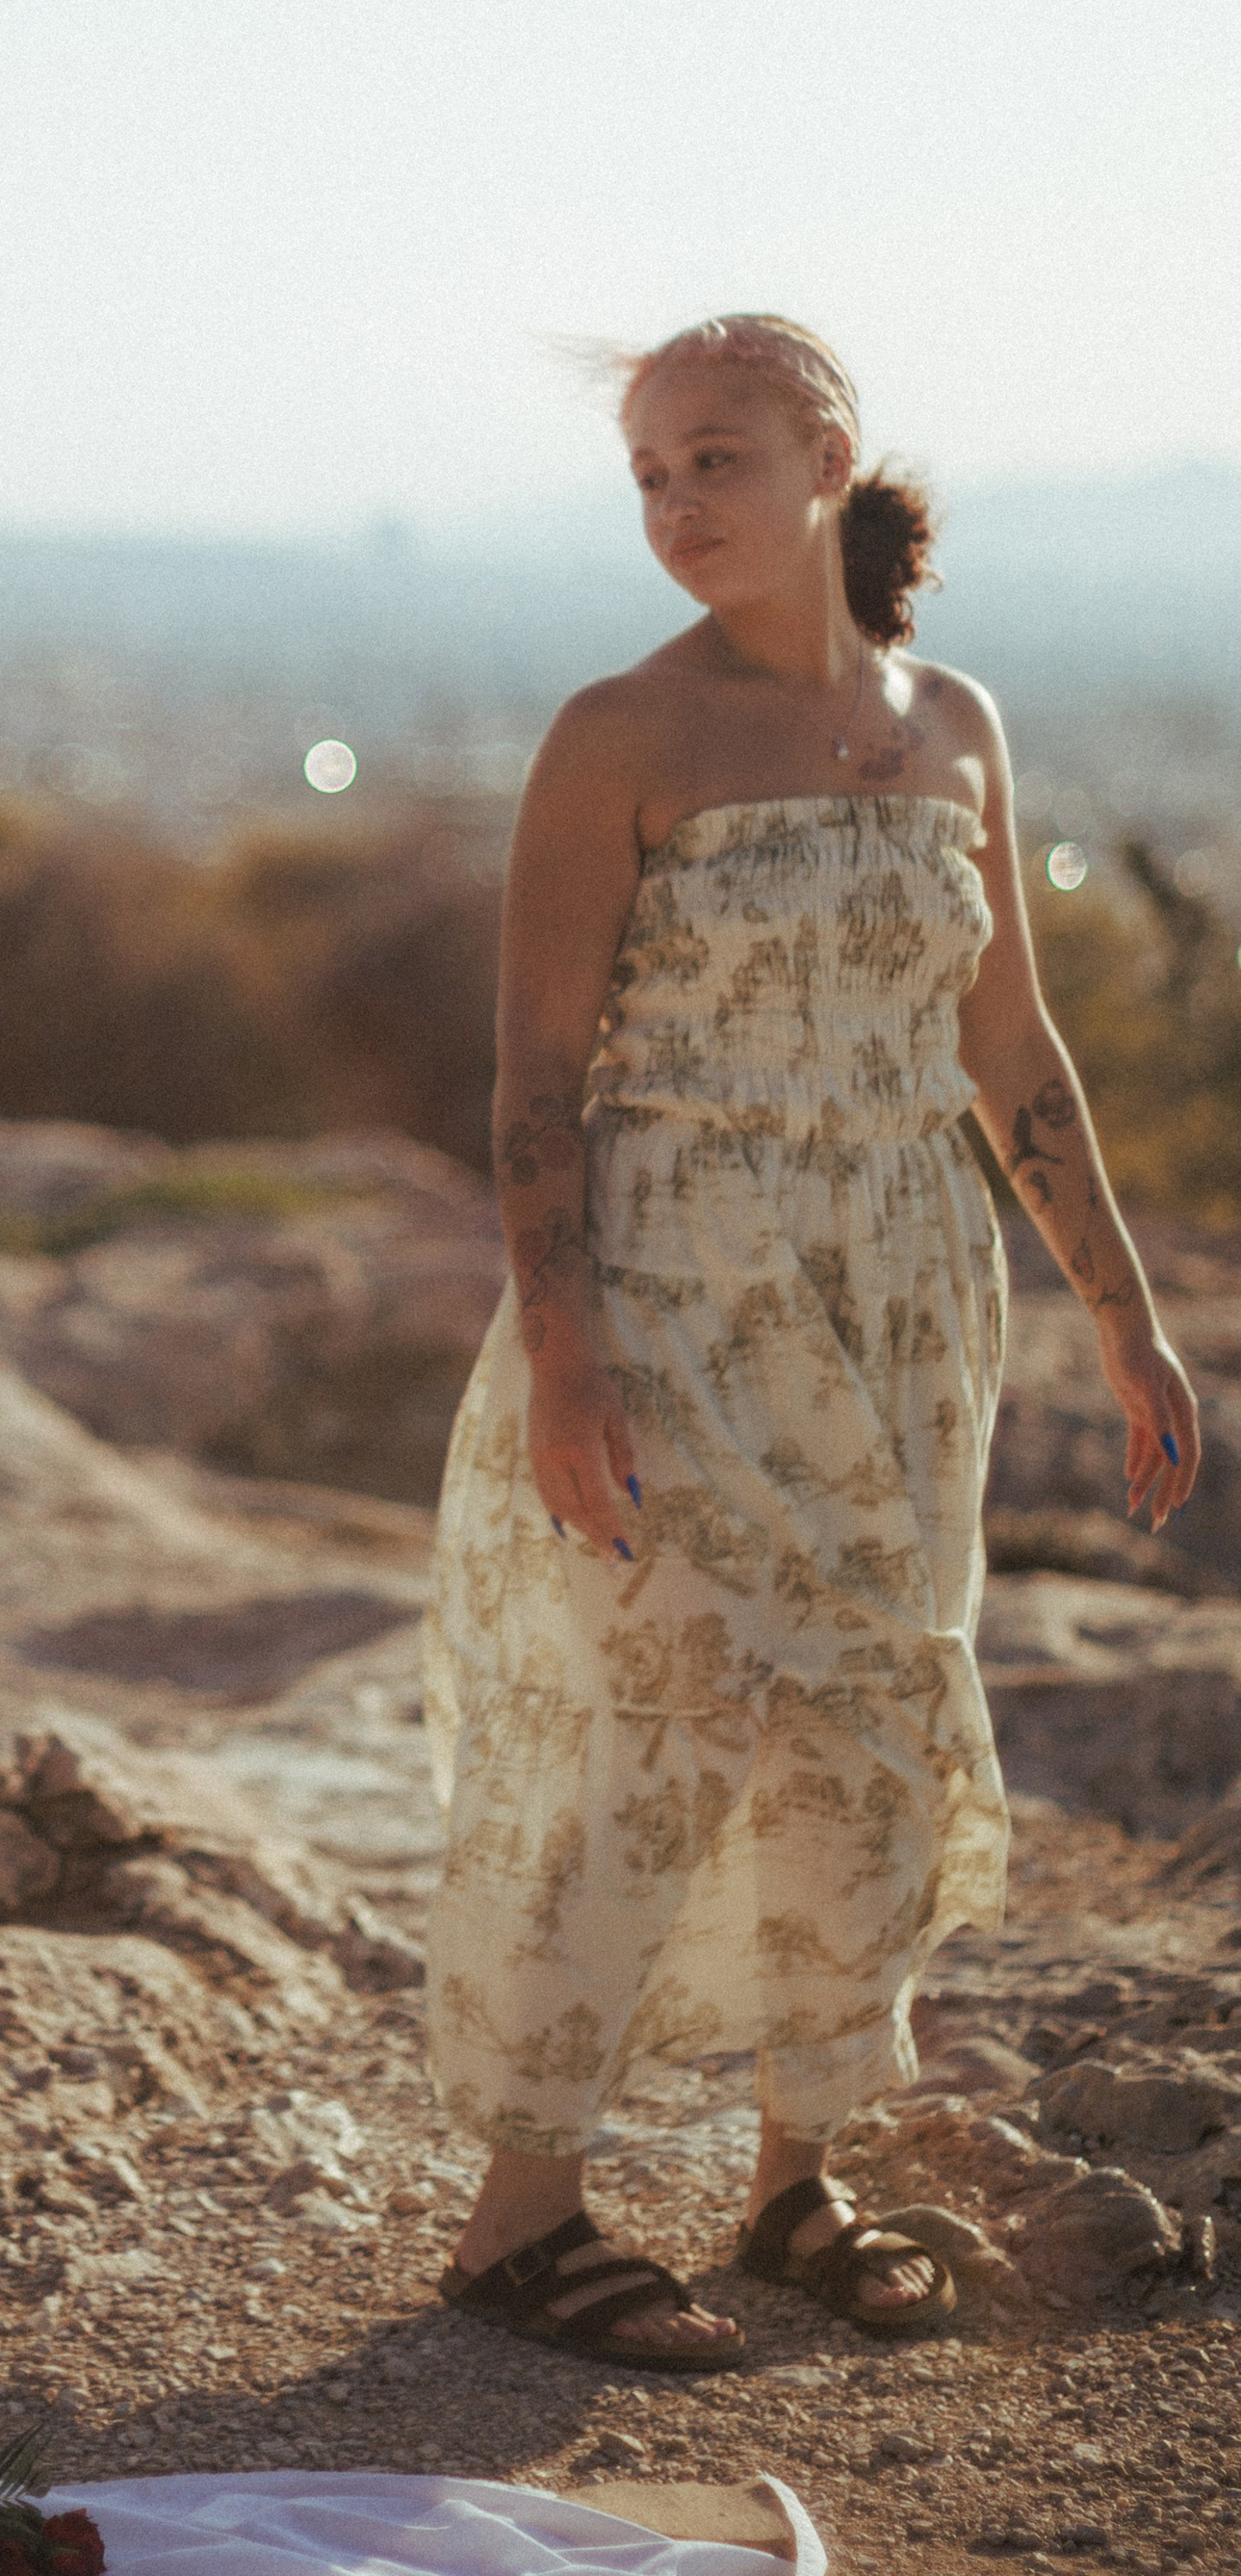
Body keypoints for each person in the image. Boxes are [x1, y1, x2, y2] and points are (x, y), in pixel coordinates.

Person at [418, 315, 1202, 2368]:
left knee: (867, 1721)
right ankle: (523, 2219)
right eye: (647, 476)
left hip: (904, 1291)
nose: (673, 508)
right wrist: (566, 1362)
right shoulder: (619, 735)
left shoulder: (952, 724)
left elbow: (1005, 1042)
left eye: (711, 462)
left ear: (827, 456)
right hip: (677, 1287)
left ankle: (792, 2181)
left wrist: (1122, 1318)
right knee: (653, 1724)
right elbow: (529, 1083)